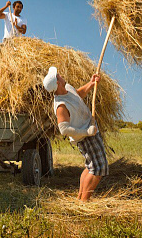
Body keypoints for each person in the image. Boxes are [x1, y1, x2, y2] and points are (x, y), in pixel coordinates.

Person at [43, 66, 109, 201]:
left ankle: (80, 198)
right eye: (58, 76)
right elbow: (64, 129)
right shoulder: (61, 106)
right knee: (98, 169)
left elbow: (78, 95)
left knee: (90, 166)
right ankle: (85, 202)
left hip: (90, 130)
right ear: (57, 83)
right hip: (85, 137)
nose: (61, 75)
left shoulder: (68, 88)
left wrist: (91, 83)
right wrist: (87, 132)